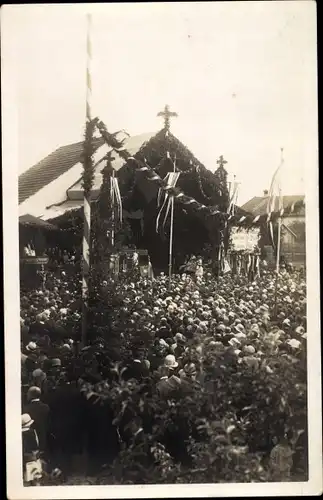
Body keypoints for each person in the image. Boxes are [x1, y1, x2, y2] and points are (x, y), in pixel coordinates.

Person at [24, 387, 50, 456]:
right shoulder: (46, 407)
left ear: (31, 395)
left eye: (28, 393)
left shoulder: (26, 408)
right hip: (44, 438)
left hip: (30, 440)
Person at [22, 413, 42, 485]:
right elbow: (35, 445)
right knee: (35, 477)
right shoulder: (32, 432)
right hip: (32, 457)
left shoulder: (19, 433)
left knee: (25, 477)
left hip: (23, 458)